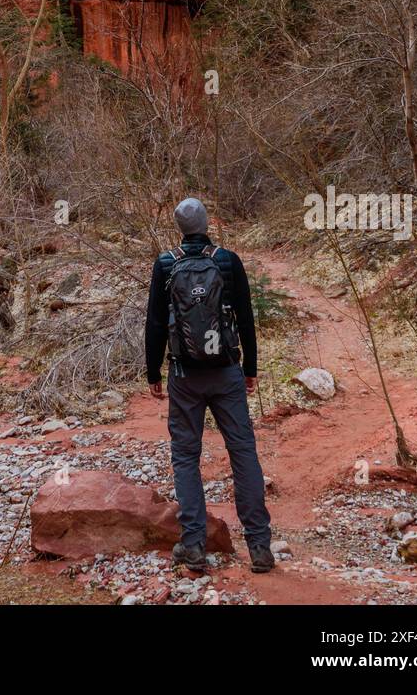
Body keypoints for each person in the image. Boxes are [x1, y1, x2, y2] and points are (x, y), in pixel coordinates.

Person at [145, 196, 274, 574]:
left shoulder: (166, 263)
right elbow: (246, 318)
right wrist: (250, 366)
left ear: (179, 228)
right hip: (226, 372)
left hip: (184, 375)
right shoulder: (227, 261)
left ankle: (194, 545)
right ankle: (260, 547)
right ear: (207, 223)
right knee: (243, 451)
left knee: (186, 456)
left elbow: (155, 323)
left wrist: (153, 372)